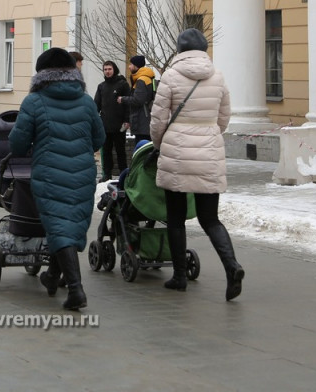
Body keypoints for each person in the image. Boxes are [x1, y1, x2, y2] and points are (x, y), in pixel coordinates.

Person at [150, 28, 243, 301]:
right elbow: (224, 117)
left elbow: (157, 119)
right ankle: (232, 267)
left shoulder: (170, 76)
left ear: (180, 49)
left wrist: (159, 144)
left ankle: (179, 276)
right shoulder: (217, 76)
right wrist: (210, 133)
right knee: (210, 218)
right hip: (209, 148)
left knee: (176, 218)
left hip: (177, 149)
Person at [9, 47, 104, 311]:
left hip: (49, 173)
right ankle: (52, 276)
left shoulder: (34, 102)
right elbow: (99, 139)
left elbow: (17, 144)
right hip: (84, 174)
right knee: (66, 225)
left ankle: (76, 290)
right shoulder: (86, 101)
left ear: (42, 75)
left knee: (60, 227)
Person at [94, 60, 131, 182]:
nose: (107, 71)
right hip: (105, 125)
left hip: (119, 124)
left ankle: (124, 174)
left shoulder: (122, 85)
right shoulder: (101, 86)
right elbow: (96, 105)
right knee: (106, 151)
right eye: (105, 69)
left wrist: (127, 120)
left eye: (109, 69)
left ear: (114, 69)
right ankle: (107, 174)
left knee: (120, 150)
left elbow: (128, 105)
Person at [120, 55, 156, 146]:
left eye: (131, 64)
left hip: (142, 121)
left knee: (142, 148)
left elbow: (138, 100)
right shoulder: (147, 77)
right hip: (144, 120)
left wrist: (123, 99)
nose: (129, 66)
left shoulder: (141, 80)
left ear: (136, 65)